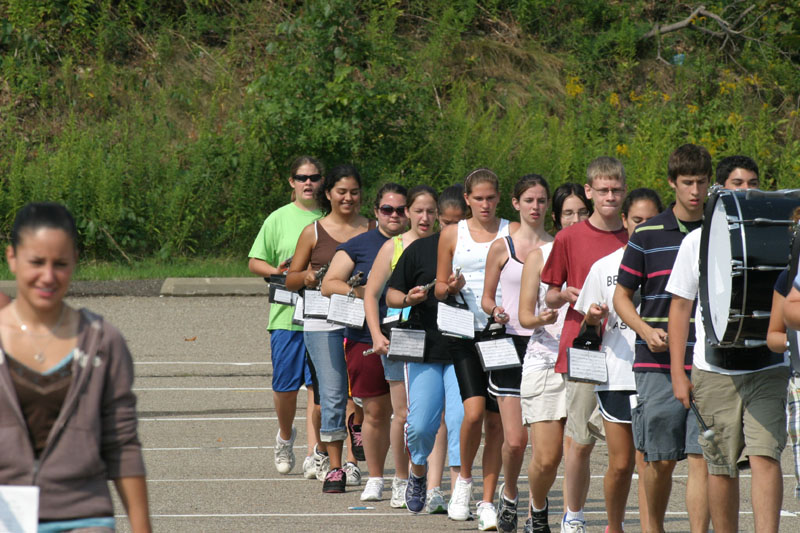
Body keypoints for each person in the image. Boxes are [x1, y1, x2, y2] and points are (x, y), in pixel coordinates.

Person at [0, 202, 151, 532]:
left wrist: (142, 527)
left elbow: (122, 444)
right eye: (36, 262)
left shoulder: (102, 342)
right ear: (12, 257)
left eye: (61, 264)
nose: (48, 276)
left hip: (85, 516)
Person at [669, 155, 789, 533]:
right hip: (714, 370)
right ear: (721, 191)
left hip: (768, 365)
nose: (748, 190)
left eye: (753, 183)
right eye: (738, 183)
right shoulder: (696, 241)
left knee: (765, 457)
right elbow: (680, 306)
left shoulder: (783, 236)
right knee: (721, 467)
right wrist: (677, 371)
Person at [613, 144, 712, 533]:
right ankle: (653, 528)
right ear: (672, 182)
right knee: (659, 459)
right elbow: (621, 295)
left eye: (702, 182)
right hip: (655, 363)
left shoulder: (721, 232)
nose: (695, 191)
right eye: (687, 182)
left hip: (708, 361)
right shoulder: (648, 234)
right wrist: (643, 328)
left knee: (703, 457)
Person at [540, 157, 629, 533]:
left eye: (617, 189)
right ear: (589, 191)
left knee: (625, 449)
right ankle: (573, 514)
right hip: (585, 350)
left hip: (628, 351)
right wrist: (567, 296)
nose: (611, 196)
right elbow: (549, 295)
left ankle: (617, 521)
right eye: (603, 190)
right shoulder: (567, 237)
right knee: (579, 440)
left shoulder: (637, 235)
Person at [575, 189, 662, 533]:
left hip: (656, 372)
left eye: (651, 221)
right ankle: (614, 525)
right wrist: (593, 318)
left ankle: (649, 527)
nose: (643, 227)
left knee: (648, 462)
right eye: (637, 220)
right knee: (622, 463)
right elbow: (586, 328)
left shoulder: (672, 261)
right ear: (624, 221)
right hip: (616, 375)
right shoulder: (604, 267)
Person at [435, 168, 518, 530]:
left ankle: (487, 500)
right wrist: (450, 287)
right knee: (472, 414)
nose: (485, 204)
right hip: (465, 333)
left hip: (504, 332)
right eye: (478, 198)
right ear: (466, 199)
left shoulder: (512, 231)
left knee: (496, 421)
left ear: (499, 198)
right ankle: (462, 482)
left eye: (490, 197)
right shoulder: (453, 234)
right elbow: (438, 288)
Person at [285, 164, 372, 491]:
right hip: (322, 321)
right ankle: (338, 467)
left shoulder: (374, 229)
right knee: (334, 393)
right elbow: (291, 279)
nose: (348, 198)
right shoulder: (314, 232)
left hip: (364, 321)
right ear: (329, 194)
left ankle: (356, 452)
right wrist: (306, 277)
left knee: (364, 397)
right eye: (341, 192)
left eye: (354, 192)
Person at [321, 182, 408, 498]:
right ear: (376, 212)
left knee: (407, 414)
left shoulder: (420, 243)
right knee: (373, 411)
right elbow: (328, 284)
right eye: (388, 209)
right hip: (364, 336)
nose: (394, 215)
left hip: (410, 336)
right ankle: (375, 476)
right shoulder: (358, 246)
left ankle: (406, 477)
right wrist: (364, 292)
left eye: (400, 209)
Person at [385, 184, 468, 514]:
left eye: (459, 222)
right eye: (446, 222)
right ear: (437, 220)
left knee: (462, 421)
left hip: (464, 350)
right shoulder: (419, 251)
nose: (452, 229)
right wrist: (409, 299)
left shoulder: (479, 252)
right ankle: (417, 471)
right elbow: (391, 295)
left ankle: (460, 489)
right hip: (425, 347)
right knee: (420, 424)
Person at [480, 174, 553, 532]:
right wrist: (495, 311)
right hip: (508, 342)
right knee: (514, 439)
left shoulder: (557, 247)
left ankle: (535, 507)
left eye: (541, 201)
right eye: (529, 201)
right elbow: (486, 297)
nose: (535, 207)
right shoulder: (501, 247)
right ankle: (509, 494)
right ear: (516, 204)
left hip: (545, 346)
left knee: (543, 446)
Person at [518, 183, 591, 533]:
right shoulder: (541, 254)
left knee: (579, 448)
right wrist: (545, 315)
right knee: (547, 458)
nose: (576, 219)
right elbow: (525, 316)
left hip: (585, 360)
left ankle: (573, 517)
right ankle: (537, 505)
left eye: (582, 212)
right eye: (568, 214)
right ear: (557, 218)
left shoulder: (604, 251)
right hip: (545, 358)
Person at [248, 155, 323, 477]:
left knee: (318, 386)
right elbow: (255, 261)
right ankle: (284, 435)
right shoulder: (277, 219)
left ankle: (314, 451)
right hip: (285, 315)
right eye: (302, 177)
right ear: (291, 182)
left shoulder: (330, 218)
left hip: (323, 314)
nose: (309, 182)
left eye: (314, 177)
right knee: (285, 388)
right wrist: (277, 272)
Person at [364, 184, 438, 507]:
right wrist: (376, 334)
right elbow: (371, 294)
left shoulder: (445, 245)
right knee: (403, 412)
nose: (424, 217)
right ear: (407, 212)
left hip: (437, 337)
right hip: (400, 335)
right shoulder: (393, 247)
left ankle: (432, 485)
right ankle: (401, 478)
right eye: (418, 211)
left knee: (435, 414)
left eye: (431, 212)